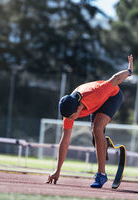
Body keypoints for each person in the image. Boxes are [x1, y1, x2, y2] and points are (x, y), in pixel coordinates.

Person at [46, 55, 133, 188]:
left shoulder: (95, 92)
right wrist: (57, 171)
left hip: (112, 97)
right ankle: (103, 142)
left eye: (71, 117)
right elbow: (65, 141)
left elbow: (116, 79)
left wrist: (129, 70)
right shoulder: (69, 110)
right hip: (96, 105)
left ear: (79, 107)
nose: (69, 120)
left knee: (97, 128)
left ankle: (101, 175)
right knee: (96, 137)